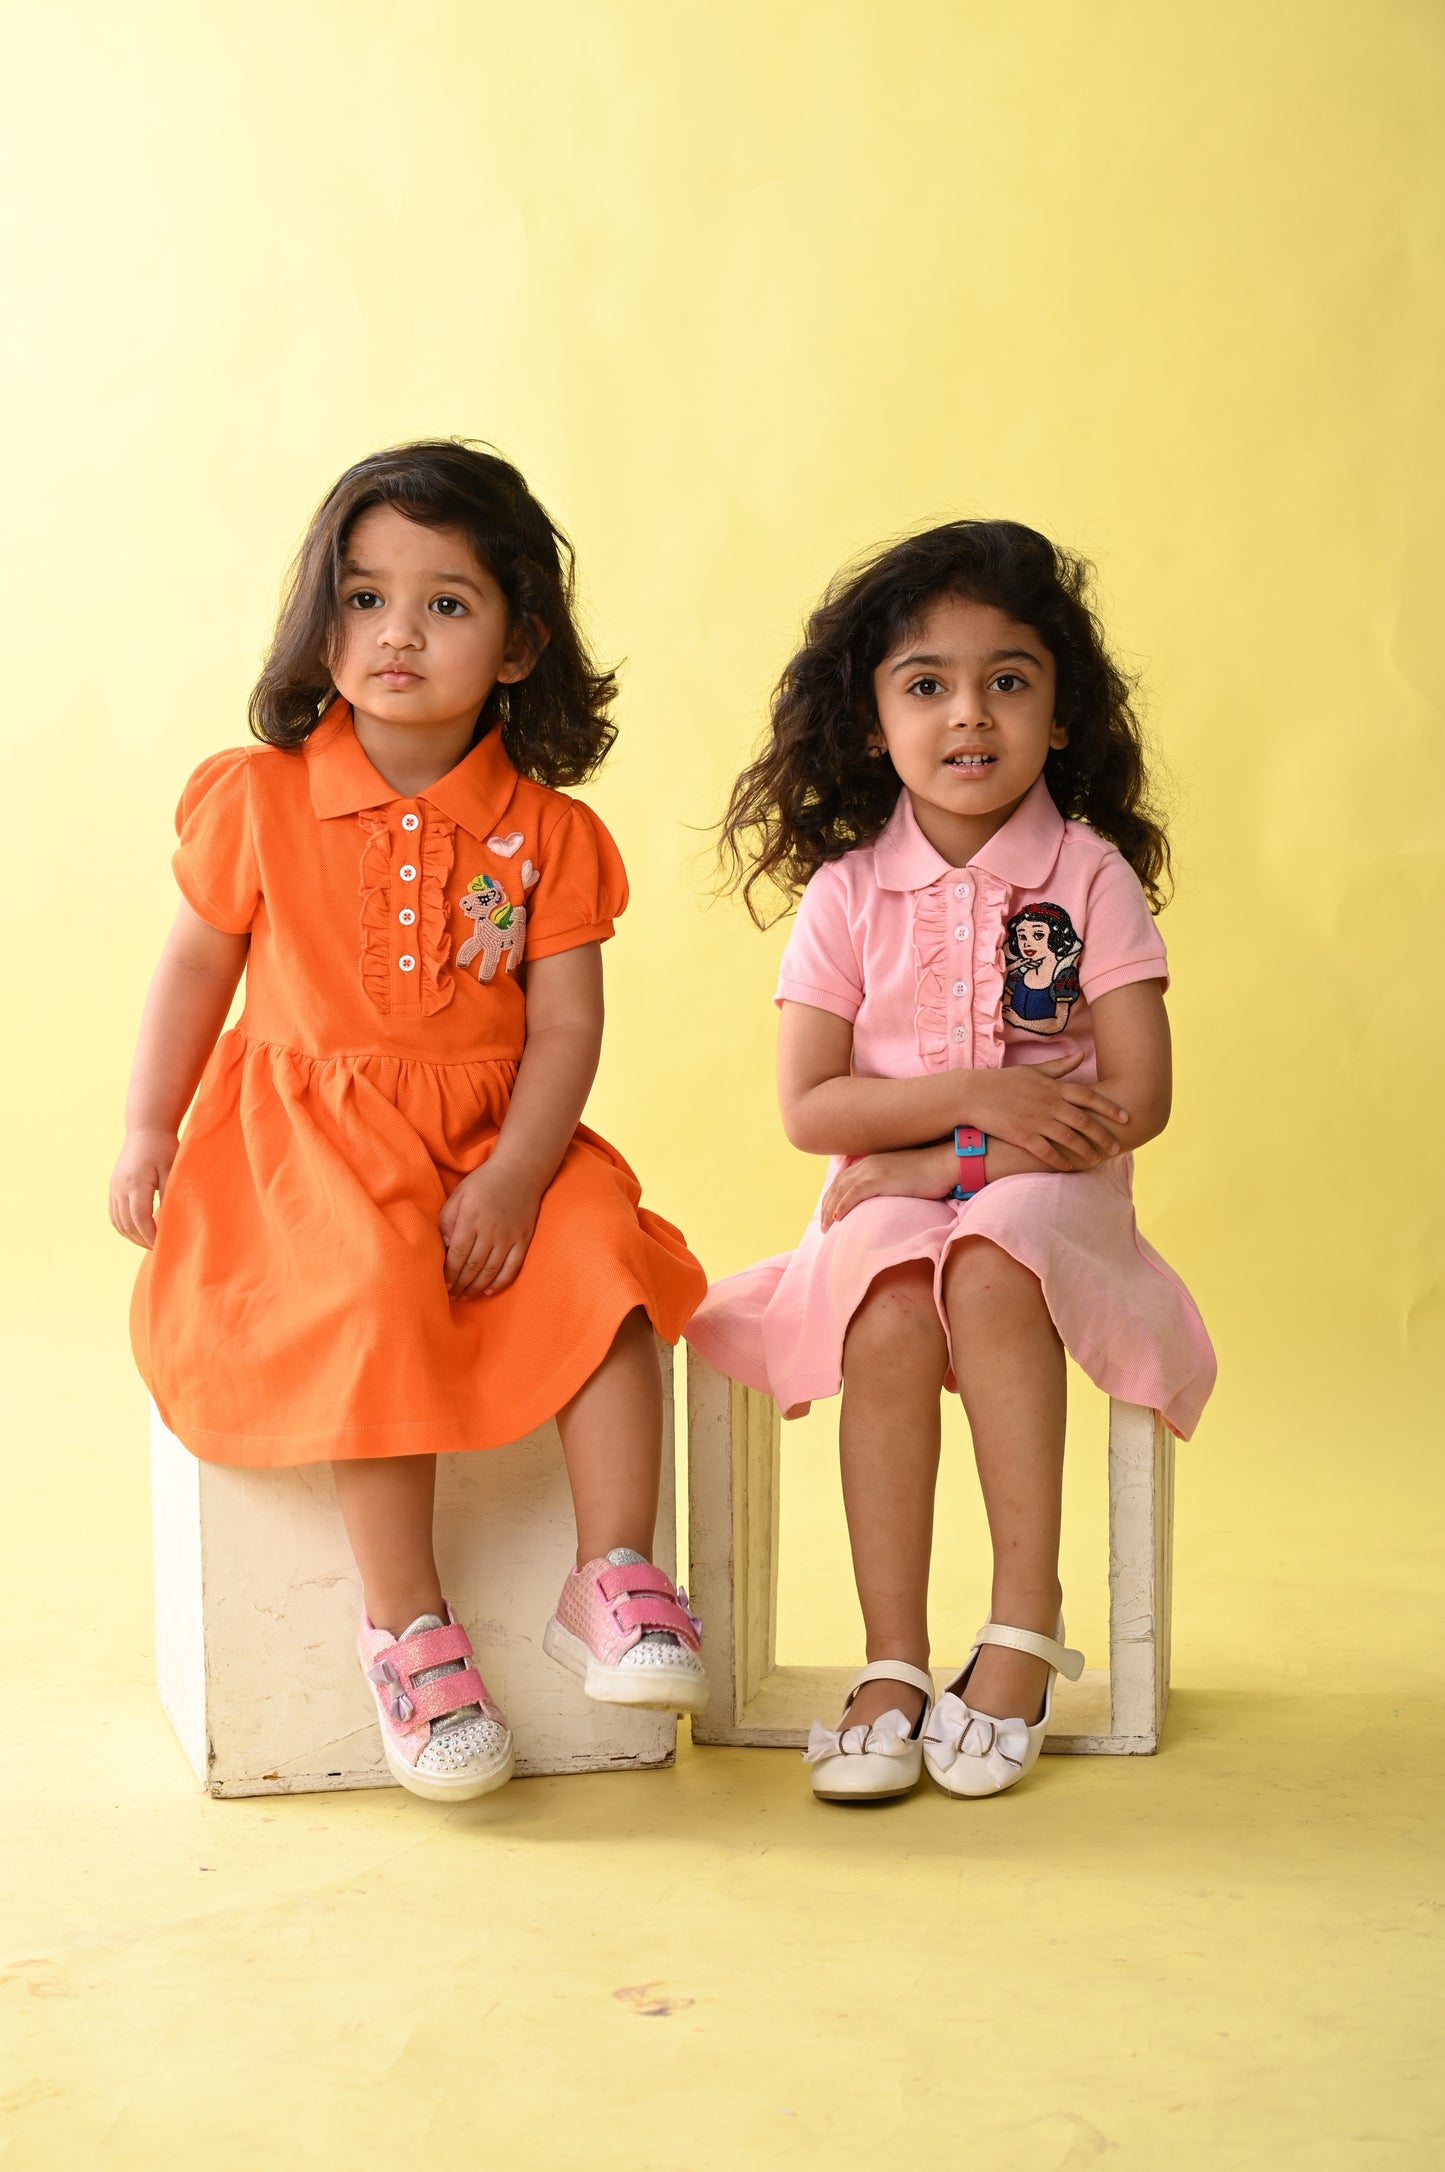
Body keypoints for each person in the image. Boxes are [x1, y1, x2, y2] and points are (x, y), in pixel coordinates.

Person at [110, 441, 708, 1803]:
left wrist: (513, 1178)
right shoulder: (255, 798)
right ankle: (408, 1631)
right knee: (368, 1292)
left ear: (516, 647)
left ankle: (612, 1576)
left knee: (609, 1264)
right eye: (367, 597)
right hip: (309, 1144)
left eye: (447, 603)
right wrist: (148, 1126)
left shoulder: (549, 835)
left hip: (501, 1139)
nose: (399, 633)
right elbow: (197, 971)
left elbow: (564, 1030)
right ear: (322, 621)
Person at [691, 519, 1215, 1805]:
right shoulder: (846, 893)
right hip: (884, 1192)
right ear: (871, 722)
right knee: (878, 1304)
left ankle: (1021, 1628)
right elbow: (813, 1111)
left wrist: (946, 1156)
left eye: (1007, 680)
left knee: (991, 1261)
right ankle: (889, 1659)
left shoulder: (1086, 877)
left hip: (1054, 1199)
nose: (967, 714)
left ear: (1057, 712)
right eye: (925, 683)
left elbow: (1131, 1097)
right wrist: (977, 1102)